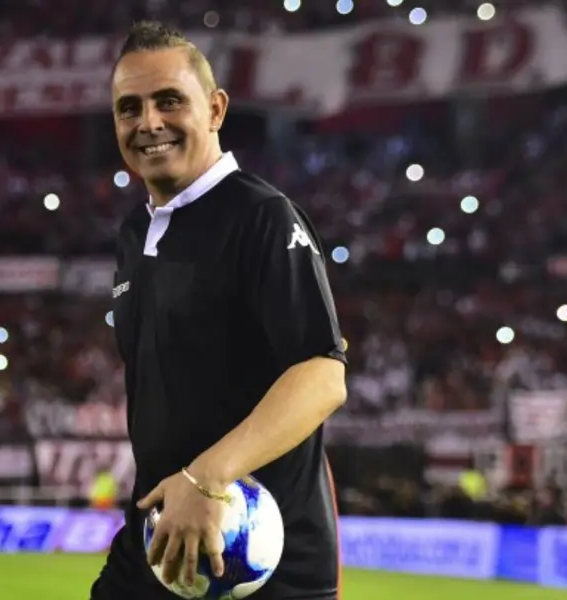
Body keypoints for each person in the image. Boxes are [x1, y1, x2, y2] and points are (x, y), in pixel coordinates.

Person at [90, 21, 349, 600]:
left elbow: (323, 375)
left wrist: (205, 478)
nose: (148, 122)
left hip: (263, 561)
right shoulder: (135, 234)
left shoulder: (262, 217)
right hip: (158, 544)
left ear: (215, 109)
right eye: (128, 108)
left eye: (169, 101)